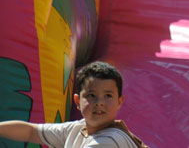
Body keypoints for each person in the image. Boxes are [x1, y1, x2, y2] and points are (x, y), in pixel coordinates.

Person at [0, 60, 146, 148]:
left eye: (108, 96)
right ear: (77, 101)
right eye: (91, 96)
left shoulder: (112, 139)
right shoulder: (77, 129)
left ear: (119, 102)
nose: (99, 103)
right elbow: (30, 131)